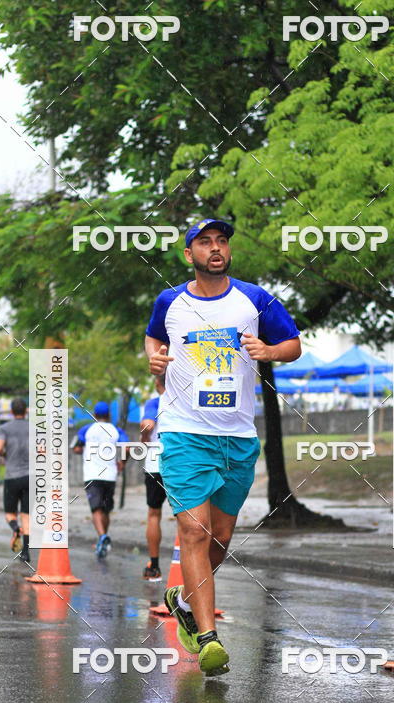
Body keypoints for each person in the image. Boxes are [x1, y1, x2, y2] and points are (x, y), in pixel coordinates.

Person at [145, 217, 301, 676]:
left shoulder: (255, 299)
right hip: (183, 432)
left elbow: (293, 344)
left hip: (237, 436)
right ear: (189, 254)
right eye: (204, 242)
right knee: (194, 531)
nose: (215, 248)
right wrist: (154, 358)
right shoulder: (170, 302)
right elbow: (154, 337)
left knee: (221, 539)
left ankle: (183, 601)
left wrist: (268, 352)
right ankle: (208, 637)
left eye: (221, 241)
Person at [73, 401, 129, 558]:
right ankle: (103, 540)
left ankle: (102, 536)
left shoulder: (86, 430)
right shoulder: (116, 430)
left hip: (92, 475)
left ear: (95, 415)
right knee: (105, 509)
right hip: (110, 475)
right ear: (109, 415)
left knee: (96, 509)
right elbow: (127, 447)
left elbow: (76, 448)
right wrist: (122, 463)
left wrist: (84, 450)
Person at [0, 398, 30, 563]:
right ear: (26, 411)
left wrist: (5, 453)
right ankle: (26, 552)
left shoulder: (4, 428)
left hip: (12, 477)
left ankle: (16, 528)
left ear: (12, 412)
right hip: (31, 477)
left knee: (10, 513)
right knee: (26, 515)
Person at [140, 374, 167, 581]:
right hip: (183, 465)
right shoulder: (184, 401)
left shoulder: (154, 403)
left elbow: (147, 426)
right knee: (187, 516)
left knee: (154, 514)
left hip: (155, 465)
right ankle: (187, 565)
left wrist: (145, 436)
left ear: (157, 382)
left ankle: (154, 566)